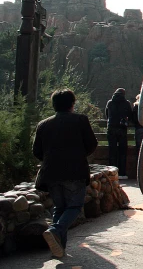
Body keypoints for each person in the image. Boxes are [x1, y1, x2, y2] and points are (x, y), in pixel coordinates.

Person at [33, 88, 98, 259]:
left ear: (54, 105)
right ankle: (55, 230)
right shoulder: (80, 120)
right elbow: (91, 144)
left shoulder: (43, 124)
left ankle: (59, 248)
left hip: (51, 173)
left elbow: (37, 151)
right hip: (75, 171)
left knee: (60, 208)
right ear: (72, 104)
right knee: (74, 206)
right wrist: (78, 156)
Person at [105, 88, 133, 180]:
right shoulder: (126, 103)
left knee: (112, 151)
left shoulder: (110, 102)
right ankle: (122, 173)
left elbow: (107, 115)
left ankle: (112, 173)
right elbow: (131, 115)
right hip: (122, 129)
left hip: (111, 128)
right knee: (122, 152)